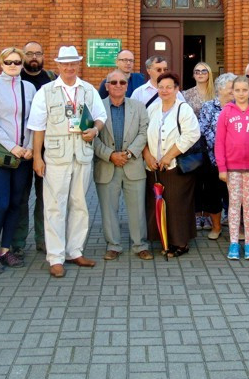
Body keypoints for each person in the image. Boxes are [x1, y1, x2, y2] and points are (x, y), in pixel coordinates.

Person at [28, 45, 106, 278]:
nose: (69, 67)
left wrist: (94, 130)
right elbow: (37, 126)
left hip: (81, 155)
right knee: (54, 206)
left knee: (80, 205)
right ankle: (55, 256)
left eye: (73, 63)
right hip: (56, 156)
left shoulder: (88, 89)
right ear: (58, 66)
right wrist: (37, 157)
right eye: (65, 64)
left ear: (78, 64)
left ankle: (75, 250)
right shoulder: (46, 91)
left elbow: (100, 117)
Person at [0, 48, 36, 273]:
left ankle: (6, 249)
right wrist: (12, 147)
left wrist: (30, 147)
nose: (13, 65)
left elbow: (35, 119)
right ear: (0, 63)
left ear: (22, 64)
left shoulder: (29, 87)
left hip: (23, 154)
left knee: (16, 203)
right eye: (8, 61)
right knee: (2, 204)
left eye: (17, 61)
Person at [94, 69, 152, 260]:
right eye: (114, 82)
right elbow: (90, 136)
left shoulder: (139, 107)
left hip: (132, 164)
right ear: (107, 85)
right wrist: (110, 155)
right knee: (108, 209)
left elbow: (144, 132)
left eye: (122, 82)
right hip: (107, 165)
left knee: (137, 209)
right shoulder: (97, 107)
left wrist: (127, 153)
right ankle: (113, 245)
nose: (118, 85)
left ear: (127, 86)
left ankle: (140, 245)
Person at [143, 72, 201, 258]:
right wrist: (147, 156)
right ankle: (164, 240)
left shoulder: (183, 109)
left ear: (177, 89)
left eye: (169, 87)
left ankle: (180, 243)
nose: (165, 90)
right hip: (154, 167)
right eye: (161, 87)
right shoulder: (152, 108)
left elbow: (192, 134)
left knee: (177, 205)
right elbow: (142, 133)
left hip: (176, 166)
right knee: (158, 204)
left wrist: (169, 156)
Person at [215, 77, 249, 260]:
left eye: (244, 90)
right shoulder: (226, 113)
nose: (241, 93)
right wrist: (222, 167)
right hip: (232, 169)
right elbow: (219, 142)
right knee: (234, 205)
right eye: (237, 90)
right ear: (233, 92)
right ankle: (234, 243)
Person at [13, 40, 56, 256]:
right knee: (20, 197)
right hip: (20, 150)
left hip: (47, 149)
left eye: (38, 53)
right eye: (29, 53)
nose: (34, 57)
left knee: (44, 197)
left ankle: (43, 239)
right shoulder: (14, 79)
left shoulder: (51, 80)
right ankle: (18, 241)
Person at [199, 73, 237, 240]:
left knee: (235, 195)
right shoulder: (209, 107)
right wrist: (220, 145)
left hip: (237, 160)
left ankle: (237, 228)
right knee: (214, 194)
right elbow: (203, 130)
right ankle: (216, 227)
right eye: (231, 87)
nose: (233, 91)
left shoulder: (241, 106)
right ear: (220, 88)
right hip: (213, 159)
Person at [182, 62, 214, 230]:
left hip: (212, 145)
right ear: (193, 75)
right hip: (193, 145)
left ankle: (208, 215)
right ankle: (195, 215)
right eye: (197, 71)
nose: (201, 73)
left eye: (204, 71)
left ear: (209, 74)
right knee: (195, 180)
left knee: (209, 182)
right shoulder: (186, 94)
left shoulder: (215, 93)